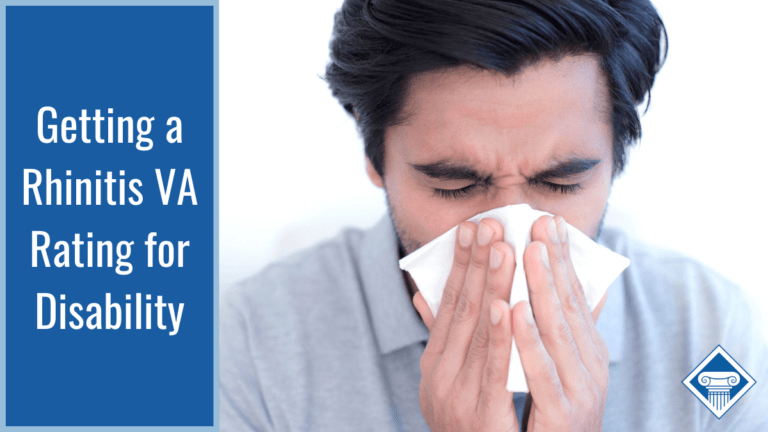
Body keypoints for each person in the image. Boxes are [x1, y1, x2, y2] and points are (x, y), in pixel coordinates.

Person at [220, 0, 768, 430]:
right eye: (454, 184)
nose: (507, 238)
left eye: (561, 182)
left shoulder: (708, 333)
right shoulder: (251, 345)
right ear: (374, 156)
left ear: (615, 161)